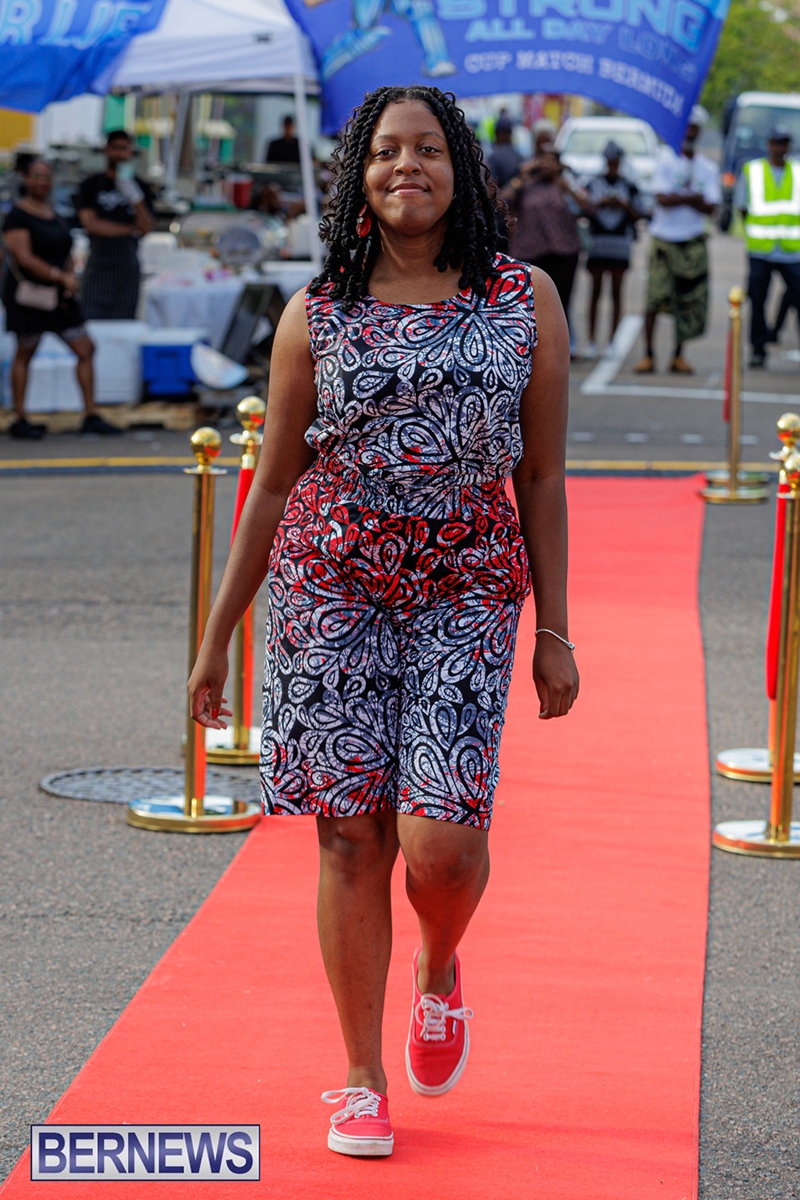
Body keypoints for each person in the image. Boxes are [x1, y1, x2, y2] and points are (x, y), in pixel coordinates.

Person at [187, 84, 578, 1157]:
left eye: (425, 150)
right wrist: (219, 635)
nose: (403, 167)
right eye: (382, 152)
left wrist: (556, 625)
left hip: (465, 583)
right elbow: (269, 485)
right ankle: (360, 1075)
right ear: (356, 173)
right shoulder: (316, 310)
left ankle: (439, 966)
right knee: (350, 838)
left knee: (441, 844)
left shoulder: (521, 296)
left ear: (460, 169)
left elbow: (540, 472)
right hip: (329, 587)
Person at [2, 158, 120, 440]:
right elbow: (24, 257)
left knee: (85, 348)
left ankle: (90, 413)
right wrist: (59, 276)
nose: (42, 182)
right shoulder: (18, 216)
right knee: (26, 352)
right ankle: (20, 417)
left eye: (46, 176)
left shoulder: (54, 213)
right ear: (25, 180)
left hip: (60, 297)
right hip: (31, 297)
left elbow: (65, 247)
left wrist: (69, 277)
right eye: (36, 176)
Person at [634, 105, 721, 375]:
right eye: (687, 127)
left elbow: (712, 207)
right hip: (664, 239)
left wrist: (683, 199)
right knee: (654, 298)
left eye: (695, 128)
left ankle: (678, 356)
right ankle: (648, 354)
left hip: (693, 240)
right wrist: (693, 199)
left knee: (689, 300)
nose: (690, 132)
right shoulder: (666, 159)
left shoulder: (707, 167)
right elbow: (662, 198)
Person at [503, 144, 590, 328]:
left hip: (563, 254)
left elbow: (588, 208)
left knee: (559, 305)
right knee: (527, 307)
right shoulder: (526, 185)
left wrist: (569, 190)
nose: (547, 164)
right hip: (529, 254)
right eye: (543, 159)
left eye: (552, 160)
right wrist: (521, 176)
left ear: (559, 165)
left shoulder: (566, 186)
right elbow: (502, 201)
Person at [735, 124, 800, 368]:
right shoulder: (753, 170)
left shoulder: (797, 172)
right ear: (769, 145)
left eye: (784, 143)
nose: (780, 148)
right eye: (776, 142)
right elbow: (743, 207)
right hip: (761, 249)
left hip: (792, 251)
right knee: (758, 299)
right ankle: (758, 348)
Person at [76, 130, 155, 320]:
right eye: (115, 148)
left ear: (131, 152)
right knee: (91, 322)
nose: (119, 154)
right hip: (98, 265)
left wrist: (136, 199)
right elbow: (91, 224)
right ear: (106, 150)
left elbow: (146, 228)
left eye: (124, 149)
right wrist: (129, 229)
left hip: (127, 266)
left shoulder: (140, 187)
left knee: (124, 323)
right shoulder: (91, 184)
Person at [583, 140, 642, 357]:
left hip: (619, 244)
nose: (613, 166)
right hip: (598, 242)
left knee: (617, 292)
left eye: (616, 162)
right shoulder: (593, 183)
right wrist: (601, 203)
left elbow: (641, 214)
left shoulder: (629, 185)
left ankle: (612, 341)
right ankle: (591, 340)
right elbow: (584, 209)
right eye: (610, 162)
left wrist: (624, 206)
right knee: (595, 291)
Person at [487, 114, 523, 189]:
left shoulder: (494, 157)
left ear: (497, 134)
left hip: (501, 197)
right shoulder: (519, 156)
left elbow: (491, 184)